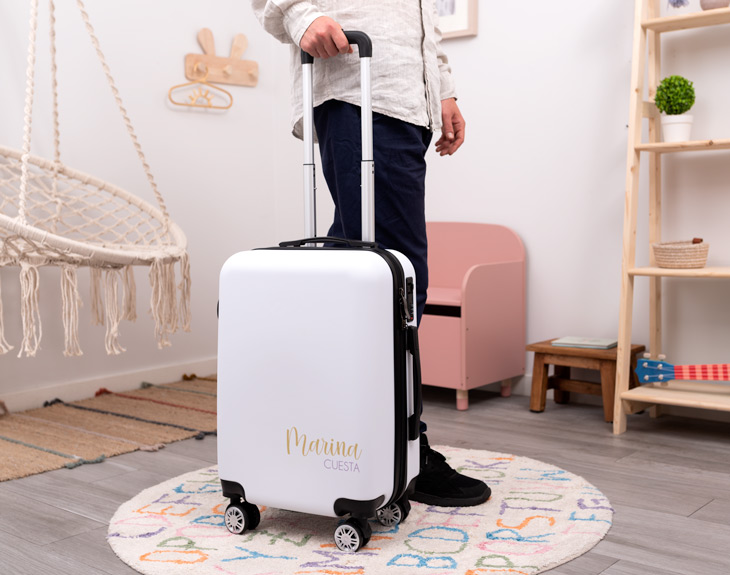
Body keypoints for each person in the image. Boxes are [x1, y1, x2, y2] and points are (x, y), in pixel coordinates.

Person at [251, 0, 490, 508]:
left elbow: (422, 21)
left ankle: (343, 433)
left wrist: (443, 90)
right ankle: (399, 445)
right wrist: (300, 16)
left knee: (367, 274)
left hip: (405, 102)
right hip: (358, 87)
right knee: (393, 281)